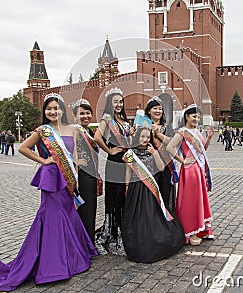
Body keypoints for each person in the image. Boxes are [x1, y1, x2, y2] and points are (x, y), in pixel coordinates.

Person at [0, 93, 97, 292]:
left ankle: (70, 257)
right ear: (45, 112)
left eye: (56, 108)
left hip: (68, 178)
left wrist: (76, 177)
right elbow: (23, 148)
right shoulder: (42, 131)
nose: (53, 112)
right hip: (51, 178)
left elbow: (76, 156)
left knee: (68, 214)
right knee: (53, 217)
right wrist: (44, 160)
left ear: (62, 110)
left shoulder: (72, 129)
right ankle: (53, 265)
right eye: (49, 109)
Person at [121, 126, 185, 263]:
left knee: (151, 215)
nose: (145, 139)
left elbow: (162, 168)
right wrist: (126, 187)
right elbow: (127, 172)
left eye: (147, 137)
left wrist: (154, 153)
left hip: (151, 189)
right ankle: (137, 243)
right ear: (137, 137)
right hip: (135, 188)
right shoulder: (130, 153)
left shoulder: (152, 151)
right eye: (142, 136)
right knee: (136, 217)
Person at [167, 104, 214, 246]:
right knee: (190, 201)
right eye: (194, 116)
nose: (196, 119)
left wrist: (209, 138)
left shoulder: (196, 132)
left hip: (198, 170)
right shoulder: (182, 132)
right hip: (189, 171)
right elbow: (169, 147)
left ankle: (200, 229)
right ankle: (191, 232)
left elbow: (202, 150)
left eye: (198, 117)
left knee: (198, 199)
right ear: (187, 117)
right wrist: (183, 161)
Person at [94, 87, 133, 256]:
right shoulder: (107, 119)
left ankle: (123, 231)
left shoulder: (123, 120)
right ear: (110, 103)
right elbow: (97, 137)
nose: (119, 104)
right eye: (115, 101)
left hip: (126, 162)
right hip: (115, 162)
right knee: (115, 198)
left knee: (124, 198)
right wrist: (109, 151)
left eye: (121, 101)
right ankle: (112, 235)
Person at [72, 98, 99, 243]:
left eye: (88, 113)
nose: (85, 116)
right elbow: (69, 150)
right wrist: (76, 162)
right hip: (81, 174)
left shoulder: (89, 131)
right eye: (81, 114)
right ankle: (84, 243)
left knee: (91, 209)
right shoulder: (75, 130)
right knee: (84, 211)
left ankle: (89, 240)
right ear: (75, 116)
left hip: (91, 172)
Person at [144, 96, 177, 209]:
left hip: (165, 165)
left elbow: (173, 143)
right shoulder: (143, 125)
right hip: (149, 165)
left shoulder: (167, 127)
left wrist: (158, 135)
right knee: (150, 196)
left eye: (160, 109)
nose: (158, 111)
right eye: (155, 108)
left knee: (165, 194)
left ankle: (166, 220)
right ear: (149, 111)